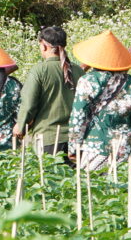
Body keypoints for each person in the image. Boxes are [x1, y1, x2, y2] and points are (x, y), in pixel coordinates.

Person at [68, 30, 131, 171]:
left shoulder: (87, 80)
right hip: (123, 147)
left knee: (93, 189)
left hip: (94, 146)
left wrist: (73, 146)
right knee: (120, 188)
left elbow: (78, 116)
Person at [15, 26, 85, 155]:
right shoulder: (78, 71)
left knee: (49, 175)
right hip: (76, 138)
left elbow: (28, 104)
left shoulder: (40, 70)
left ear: (44, 46)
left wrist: (20, 126)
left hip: (48, 137)